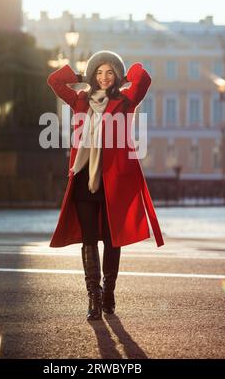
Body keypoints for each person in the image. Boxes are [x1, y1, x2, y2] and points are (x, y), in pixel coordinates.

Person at [47, 50, 164, 321]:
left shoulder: (125, 101)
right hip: (84, 178)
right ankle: (94, 298)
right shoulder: (79, 100)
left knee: (113, 239)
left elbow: (142, 78)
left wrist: (124, 77)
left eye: (109, 72)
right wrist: (79, 76)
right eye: (98, 72)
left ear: (117, 76)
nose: (103, 78)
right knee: (89, 238)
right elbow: (54, 81)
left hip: (115, 181)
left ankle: (109, 291)